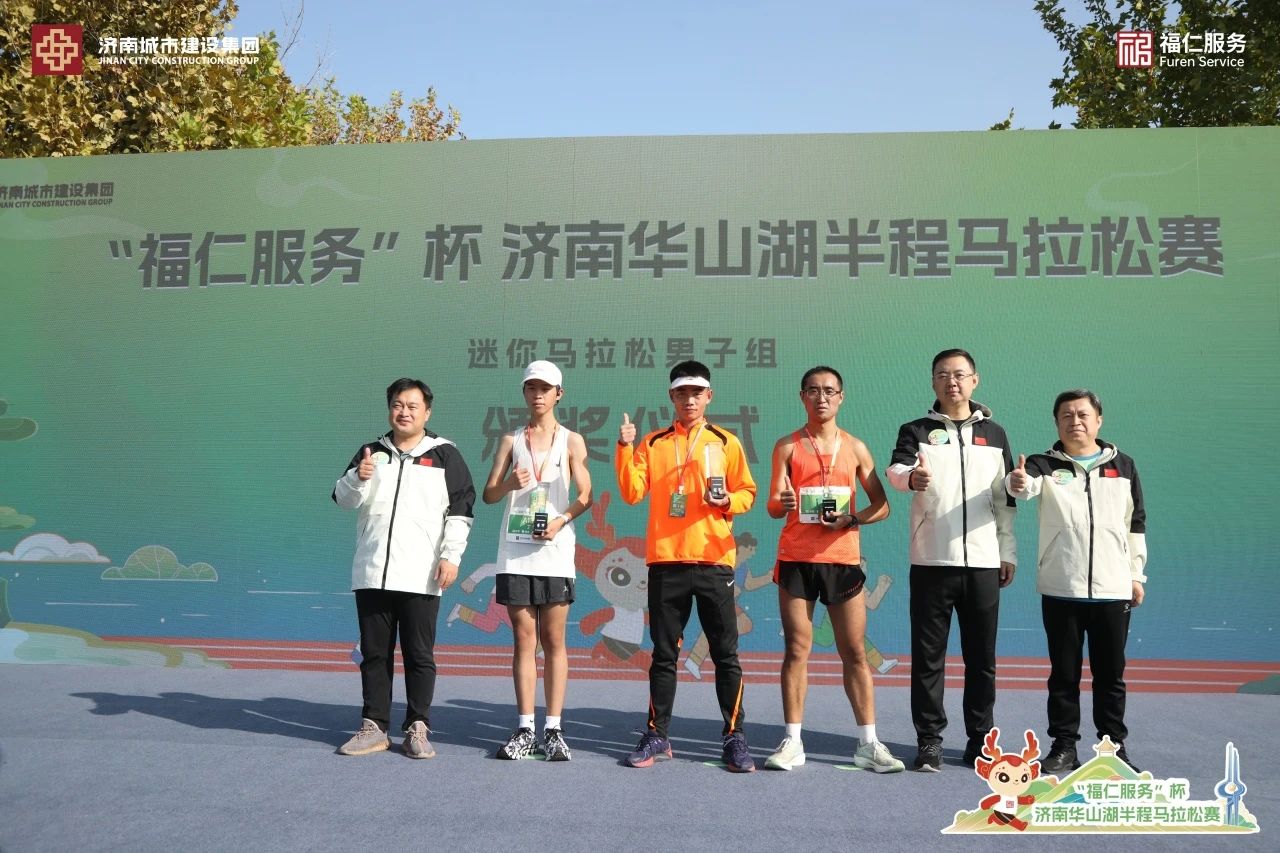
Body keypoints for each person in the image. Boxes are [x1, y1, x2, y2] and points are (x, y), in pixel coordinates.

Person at [615, 360, 758, 771]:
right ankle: (657, 735)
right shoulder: (654, 442)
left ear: (709, 396)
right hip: (667, 560)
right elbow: (632, 493)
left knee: (725, 654)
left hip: (714, 560)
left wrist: (728, 501)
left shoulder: (726, 442)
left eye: (697, 392)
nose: (689, 399)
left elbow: (747, 492)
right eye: (682, 392)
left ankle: (734, 738)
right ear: (672, 397)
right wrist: (625, 448)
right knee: (664, 655)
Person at [763, 366, 904, 773]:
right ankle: (792, 741)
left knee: (855, 652)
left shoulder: (856, 447)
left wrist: (852, 519)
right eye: (813, 390)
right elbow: (772, 506)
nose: (821, 397)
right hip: (797, 560)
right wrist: (782, 503)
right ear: (802, 396)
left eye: (829, 390)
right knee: (796, 650)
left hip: (842, 560)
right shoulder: (787, 446)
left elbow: (882, 505)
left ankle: (869, 744)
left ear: (841, 397)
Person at [886, 349, 1017, 772]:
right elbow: (896, 470)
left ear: (975, 380)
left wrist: (1006, 551)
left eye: (959, 374)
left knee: (982, 660)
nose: (952, 382)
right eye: (943, 375)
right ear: (933, 382)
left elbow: (1004, 499)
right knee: (929, 659)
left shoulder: (994, 434)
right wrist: (912, 477)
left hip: (983, 562)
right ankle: (929, 741)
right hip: (931, 561)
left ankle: (980, 740)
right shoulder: (917, 430)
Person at [332, 378, 476, 758]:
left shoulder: (445, 455)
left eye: (413, 406)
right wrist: (357, 477)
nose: (404, 412)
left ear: (427, 412)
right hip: (373, 570)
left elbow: (461, 510)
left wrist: (451, 557)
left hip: (421, 573)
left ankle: (417, 726)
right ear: (389, 409)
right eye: (398, 405)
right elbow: (343, 499)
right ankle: (374, 726)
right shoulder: (371, 453)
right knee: (374, 654)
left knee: (419, 654)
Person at [1004, 389, 1146, 774]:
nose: (1075, 421)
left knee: (1110, 677)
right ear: (1057, 423)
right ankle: (1064, 746)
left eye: (1083, 414)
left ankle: (1112, 749)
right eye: (1066, 415)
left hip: (1113, 589)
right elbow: (1024, 487)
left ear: (1099, 420)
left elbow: (1135, 523)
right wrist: (1017, 481)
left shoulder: (1123, 466)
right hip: (1061, 587)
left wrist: (1136, 575)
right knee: (1063, 676)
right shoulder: (1042, 464)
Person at [482, 360, 593, 761]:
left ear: (559, 394)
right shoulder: (510, 440)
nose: (538, 394)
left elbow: (585, 495)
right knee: (523, 641)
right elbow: (489, 494)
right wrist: (509, 483)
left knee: (554, 641)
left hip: (555, 555)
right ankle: (526, 728)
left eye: (546, 388)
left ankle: (554, 729)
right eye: (532, 388)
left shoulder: (572, 441)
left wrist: (560, 522)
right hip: (515, 555)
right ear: (525, 393)